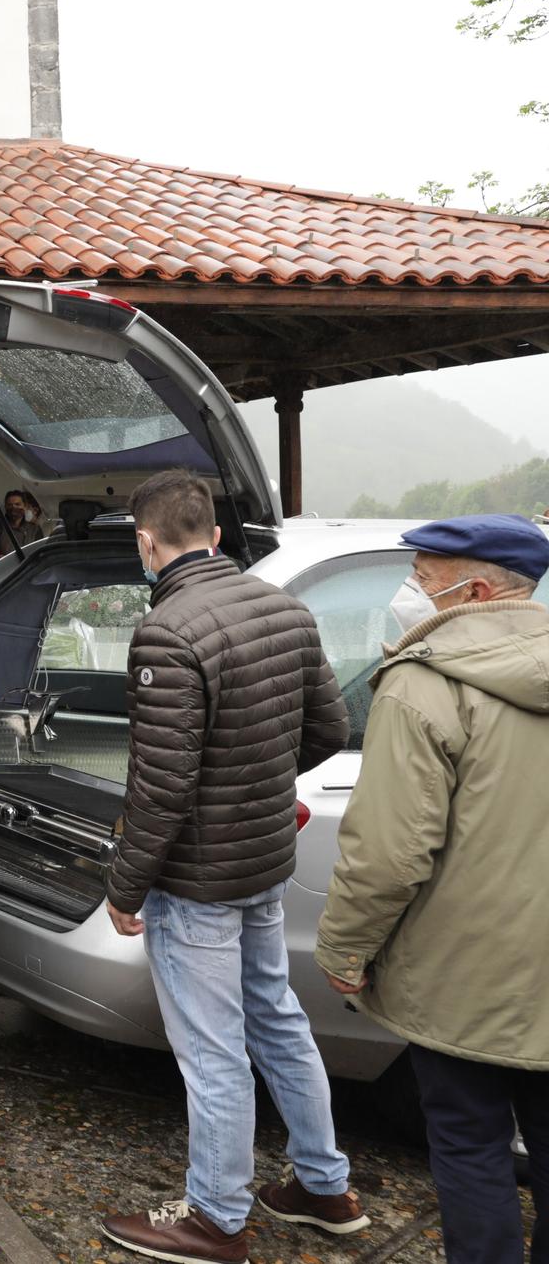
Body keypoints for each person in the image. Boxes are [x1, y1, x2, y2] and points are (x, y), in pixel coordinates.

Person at [99, 470, 363, 1260]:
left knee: (212, 1047)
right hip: (261, 861)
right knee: (278, 1019)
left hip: (197, 879)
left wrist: (125, 884)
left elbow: (163, 783)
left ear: (147, 543)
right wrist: (255, 786)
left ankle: (216, 1216)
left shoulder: (168, 630)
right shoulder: (284, 607)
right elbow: (327, 728)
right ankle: (324, 1184)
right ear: (213, 535)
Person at [315, 515, 549, 1264]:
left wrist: (345, 949)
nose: (408, 591)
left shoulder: (423, 684)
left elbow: (388, 850)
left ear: (474, 589)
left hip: (464, 969)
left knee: (470, 1143)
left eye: (422, 575)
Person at [0, 489, 46, 556]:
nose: (13, 507)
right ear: (5, 506)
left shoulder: (34, 529)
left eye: (17, 504)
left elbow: (40, 553)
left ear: (24, 506)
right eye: (10, 505)